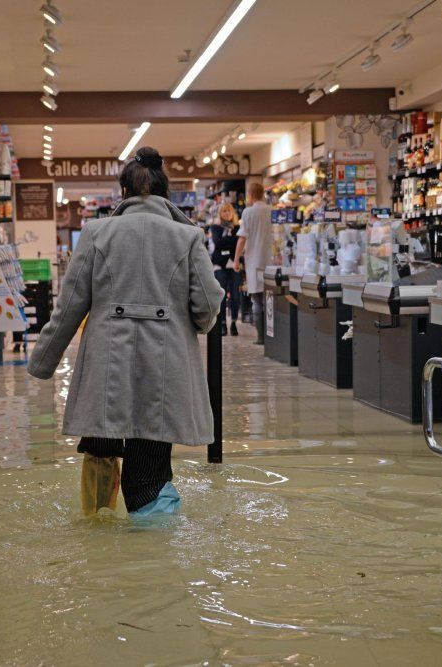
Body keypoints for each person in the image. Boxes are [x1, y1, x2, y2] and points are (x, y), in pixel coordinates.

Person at [27, 147, 224, 518]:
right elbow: (208, 304)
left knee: (100, 445)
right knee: (150, 465)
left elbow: (69, 305)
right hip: (166, 368)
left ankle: (97, 538)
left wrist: (42, 362)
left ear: (123, 192)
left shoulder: (97, 233)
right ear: (166, 192)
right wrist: (196, 324)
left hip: (106, 365)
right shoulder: (188, 237)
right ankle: (153, 555)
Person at [234, 182, 273, 344]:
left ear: (250, 195)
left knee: (257, 299)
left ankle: (261, 337)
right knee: (271, 299)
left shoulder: (248, 213)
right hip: (271, 260)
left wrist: (236, 259)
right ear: (263, 193)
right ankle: (272, 336)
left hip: (254, 260)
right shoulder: (271, 211)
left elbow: (242, 238)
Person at [208, 202, 242, 336]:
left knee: (235, 295)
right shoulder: (215, 227)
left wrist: (231, 241)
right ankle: (222, 323)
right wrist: (232, 240)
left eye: (229, 211)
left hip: (235, 264)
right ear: (220, 213)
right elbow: (219, 243)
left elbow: (238, 243)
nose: (227, 214)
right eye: (224, 211)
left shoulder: (238, 227)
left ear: (233, 213)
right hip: (219, 265)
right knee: (221, 295)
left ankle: (233, 322)